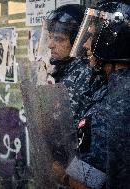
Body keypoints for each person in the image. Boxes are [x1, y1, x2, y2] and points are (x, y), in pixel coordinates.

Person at [62, 1, 130, 188]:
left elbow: (84, 181)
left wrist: (61, 174)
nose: (85, 44)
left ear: (112, 42)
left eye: (91, 36)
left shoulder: (110, 106)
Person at [43, 4, 107, 124]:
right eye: (50, 37)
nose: (50, 45)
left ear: (78, 41)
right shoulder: (65, 69)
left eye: (59, 39)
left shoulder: (85, 73)